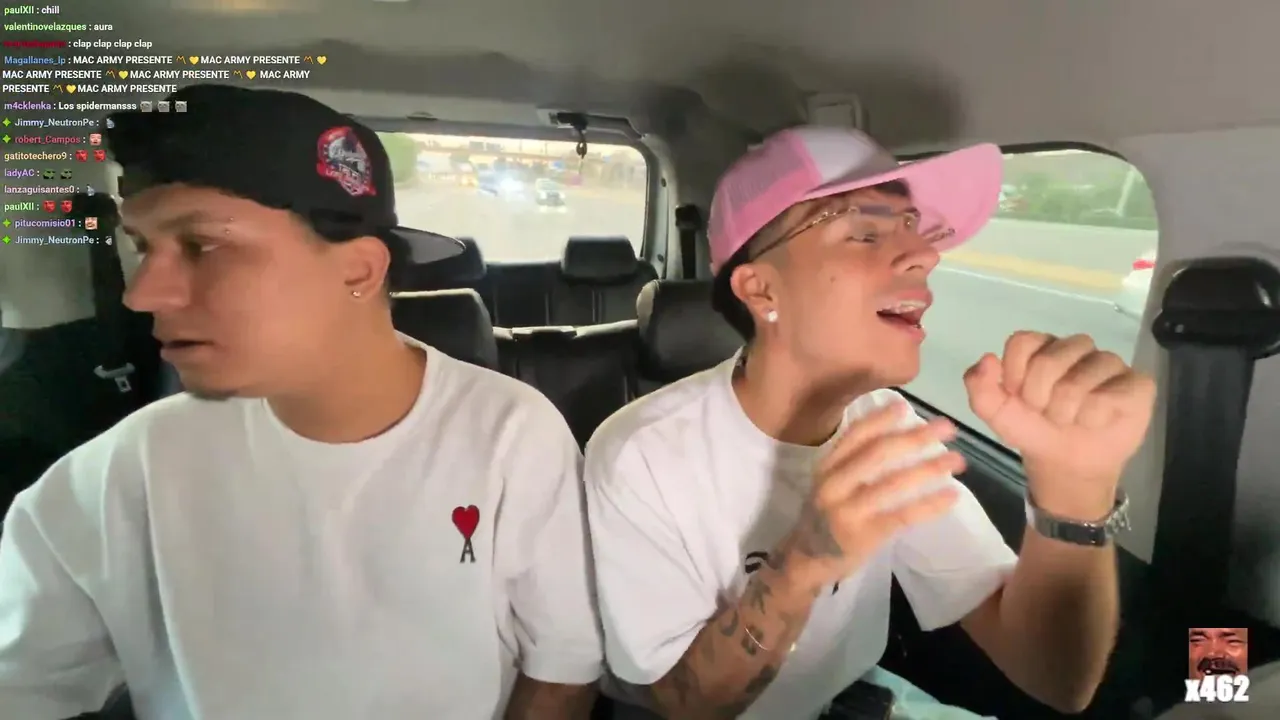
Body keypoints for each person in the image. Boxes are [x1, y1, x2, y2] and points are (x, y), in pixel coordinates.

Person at [0, 85, 602, 719]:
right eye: (142, 248)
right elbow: (21, 680)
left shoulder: (510, 435)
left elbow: (562, 668)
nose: (143, 294)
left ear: (358, 272)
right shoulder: (127, 469)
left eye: (203, 245)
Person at [584, 126, 1156, 719]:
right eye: (865, 233)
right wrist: (801, 566)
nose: (926, 255)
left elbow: (1057, 679)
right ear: (761, 289)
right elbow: (681, 704)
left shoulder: (885, 423)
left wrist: (1073, 491)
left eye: (913, 228)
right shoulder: (641, 455)